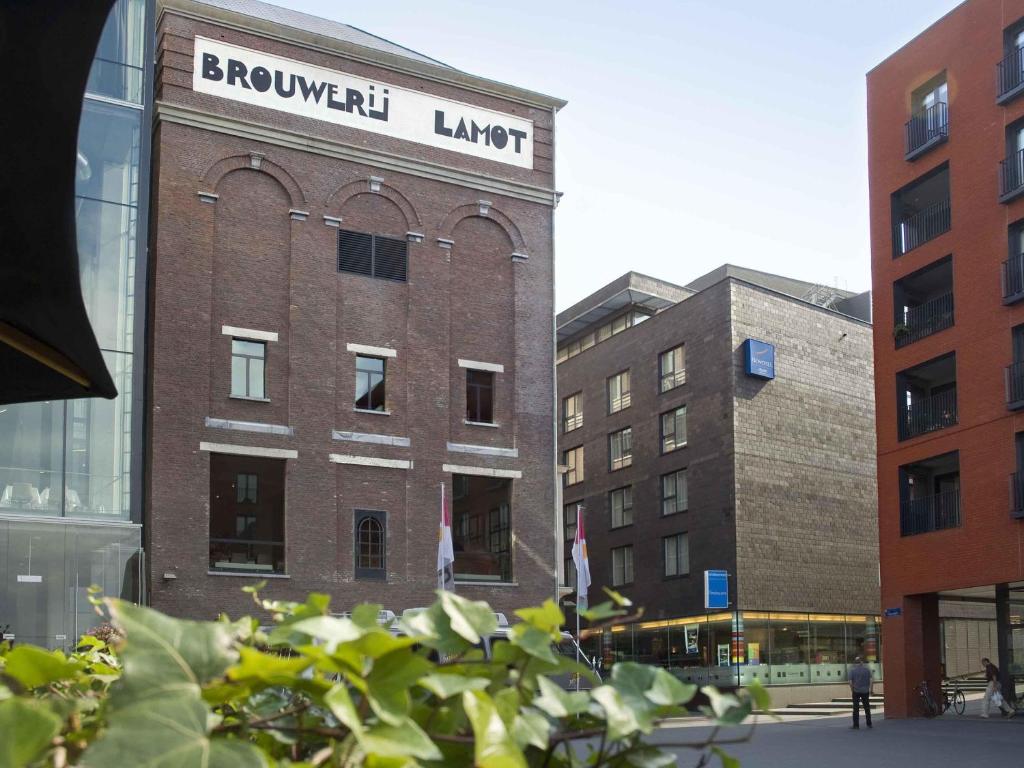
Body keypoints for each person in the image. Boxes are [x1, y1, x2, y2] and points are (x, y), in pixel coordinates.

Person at [848, 656, 873, 729]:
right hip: (865, 691)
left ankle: (856, 725)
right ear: (862, 662)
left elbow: (850, 682)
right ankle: (869, 724)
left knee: (856, 708)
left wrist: (852, 689)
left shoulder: (852, 670)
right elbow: (871, 680)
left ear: (855, 663)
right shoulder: (867, 670)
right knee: (867, 708)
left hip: (856, 691)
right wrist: (871, 689)